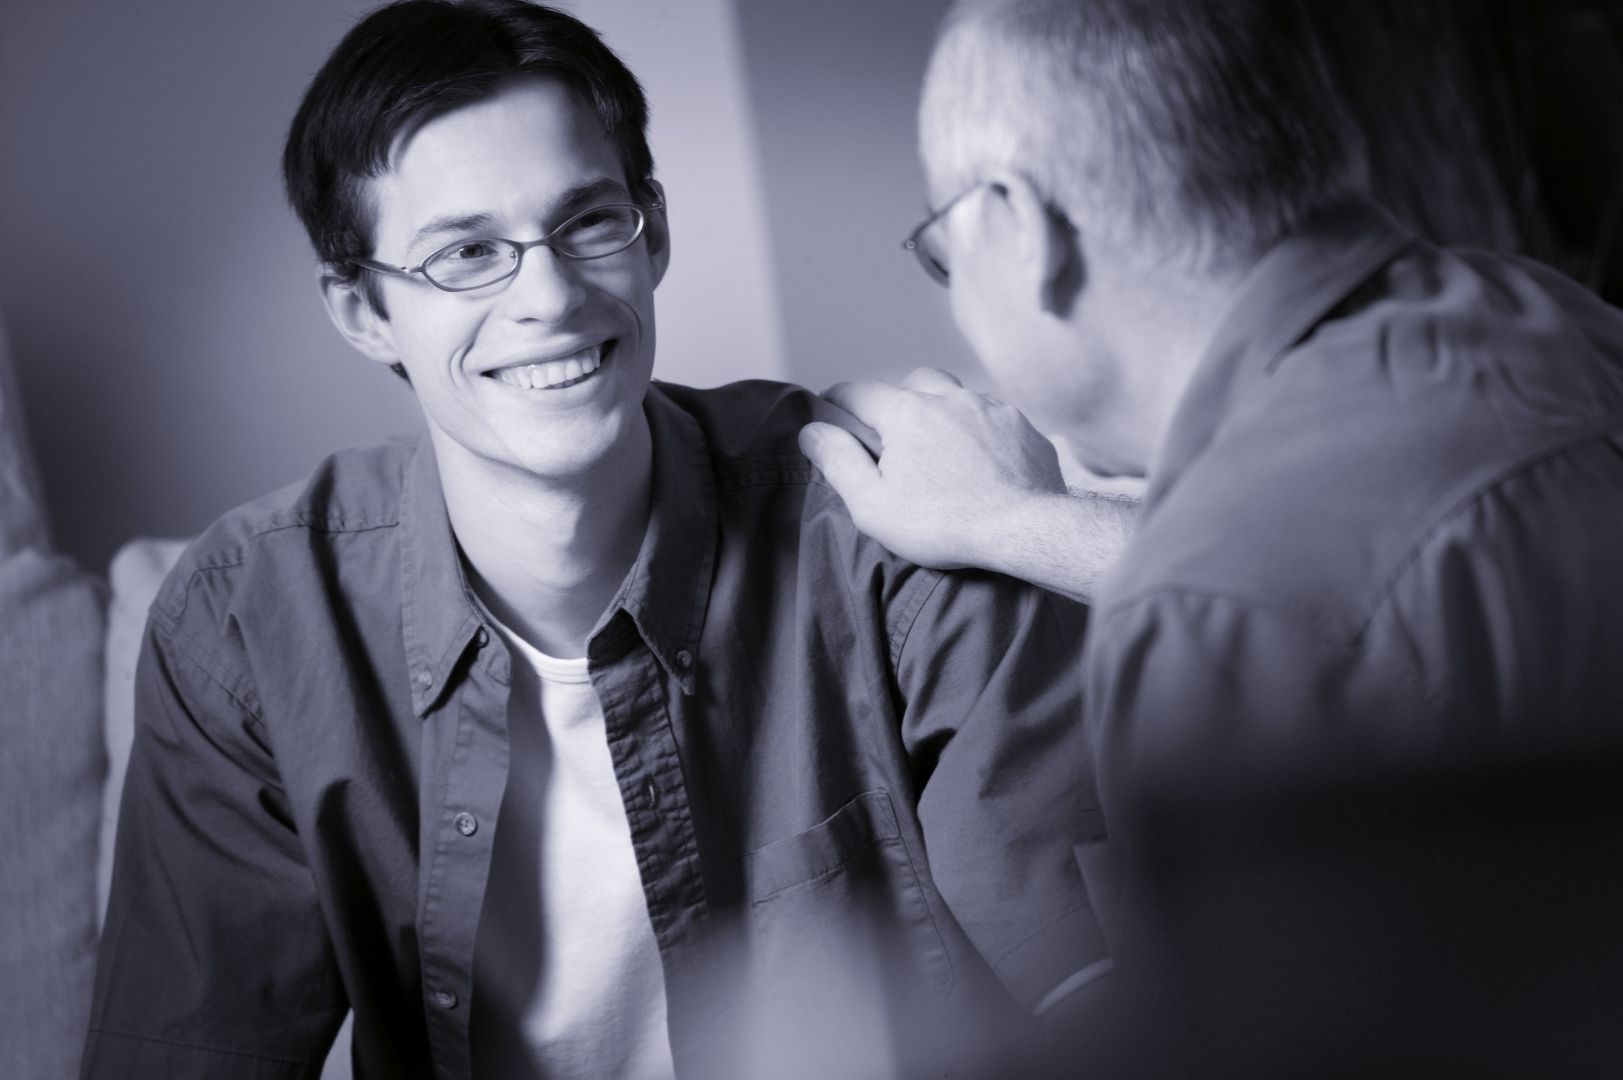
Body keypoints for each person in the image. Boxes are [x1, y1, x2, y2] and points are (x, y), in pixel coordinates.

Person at [82, 3, 1107, 1077]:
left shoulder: (892, 522)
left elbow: (1101, 1003)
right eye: (467, 254)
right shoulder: (246, 630)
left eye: (587, 224)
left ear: (652, 233)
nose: (553, 298)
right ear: (363, 312)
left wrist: (1032, 525)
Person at [798, 0, 1623, 1072]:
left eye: (941, 248)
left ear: (1018, 225)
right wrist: (1016, 521)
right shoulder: (1558, 322)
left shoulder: (1213, 604)